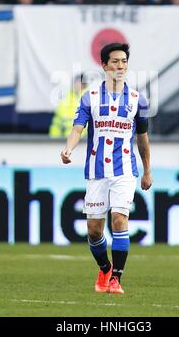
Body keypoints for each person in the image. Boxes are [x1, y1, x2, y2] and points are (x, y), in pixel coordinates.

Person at [60, 43, 152, 294]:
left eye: (124, 61)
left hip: (125, 170)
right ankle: (104, 268)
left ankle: (116, 279)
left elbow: (142, 138)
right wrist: (69, 148)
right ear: (104, 65)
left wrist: (147, 170)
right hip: (96, 170)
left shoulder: (138, 100)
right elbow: (77, 128)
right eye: (115, 62)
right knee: (93, 230)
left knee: (119, 219)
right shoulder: (89, 97)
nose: (120, 66)